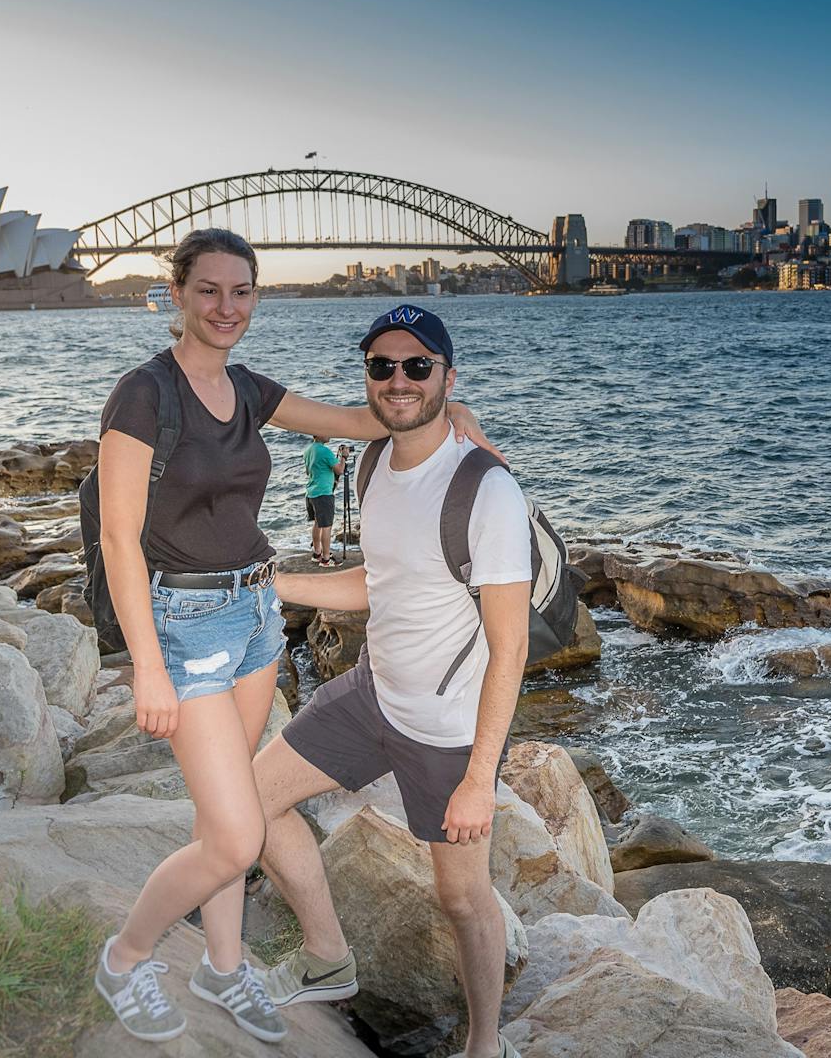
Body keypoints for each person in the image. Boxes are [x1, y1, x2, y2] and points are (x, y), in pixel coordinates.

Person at [91, 235, 496, 1045]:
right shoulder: (143, 395)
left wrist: (454, 415)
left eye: (241, 292)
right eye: (208, 291)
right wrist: (147, 669)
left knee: (223, 817)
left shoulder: (245, 389)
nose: (226, 308)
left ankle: (223, 965)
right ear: (177, 294)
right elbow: (116, 538)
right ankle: (125, 959)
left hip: (254, 615)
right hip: (187, 626)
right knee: (239, 834)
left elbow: (359, 420)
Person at [254, 305, 531, 1058]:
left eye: (418, 366)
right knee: (252, 802)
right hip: (372, 695)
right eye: (382, 366)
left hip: (448, 732)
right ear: (367, 376)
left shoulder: (488, 491)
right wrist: (274, 584)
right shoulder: (373, 460)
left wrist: (480, 778)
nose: (399, 380)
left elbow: (510, 649)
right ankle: (326, 958)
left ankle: (484, 1045)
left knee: (462, 898)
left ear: (447, 375)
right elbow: (379, 584)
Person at [303, 434, 339, 565]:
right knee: (327, 527)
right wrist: (343, 458)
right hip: (324, 493)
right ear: (317, 434)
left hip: (311, 493)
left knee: (318, 523)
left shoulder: (308, 450)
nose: (329, 433)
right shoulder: (325, 451)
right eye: (325, 431)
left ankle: (317, 553)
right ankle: (325, 559)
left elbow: (308, 472)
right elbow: (339, 470)